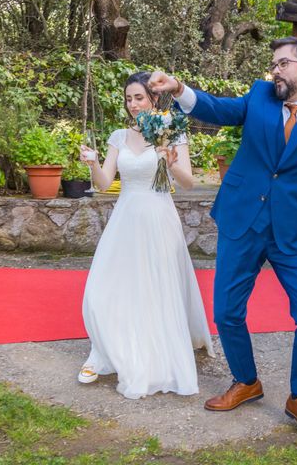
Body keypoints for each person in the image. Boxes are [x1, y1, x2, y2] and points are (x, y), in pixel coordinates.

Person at [149, 36, 297, 433]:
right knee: (227, 312)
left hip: (295, 231)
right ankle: (246, 381)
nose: (276, 70)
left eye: (284, 63)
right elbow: (218, 109)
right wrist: (180, 89)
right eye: (274, 63)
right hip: (244, 219)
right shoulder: (259, 95)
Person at [77, 71, 214, 399]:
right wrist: (93, 162)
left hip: (158, 217)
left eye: (138, 97)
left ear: (153, 98)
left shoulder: (173, 131)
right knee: (102, 288)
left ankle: (150, 350)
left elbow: (188, 183)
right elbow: (103, 182)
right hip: (125, 218)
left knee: (153, 286)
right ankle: (104, 351)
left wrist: (170, 160)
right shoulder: (119, 136)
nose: (133, 104)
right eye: (128, 99)